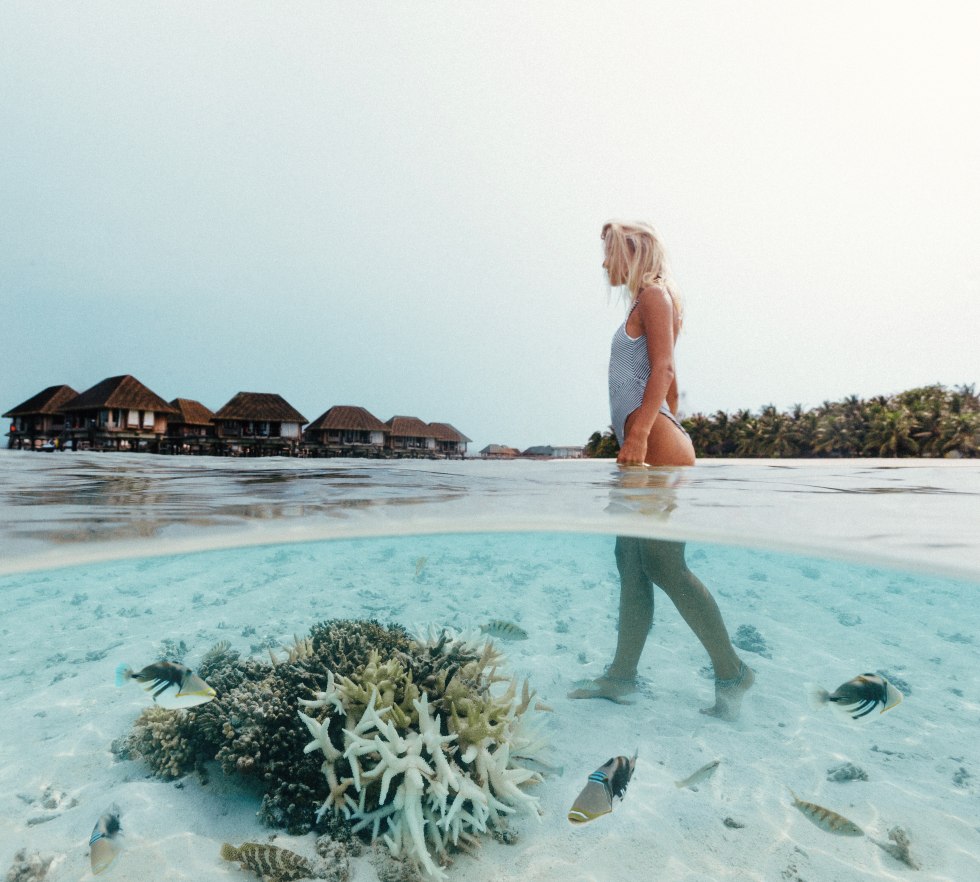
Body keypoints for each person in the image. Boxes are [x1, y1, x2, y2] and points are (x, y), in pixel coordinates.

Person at [568, 220, 753, 720]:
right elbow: (668, 384)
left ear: (631, 251)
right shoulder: (647, 301)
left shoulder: (653, 293)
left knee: (663, 566)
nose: (604, 264)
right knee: (631, 563)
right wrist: (654, 429)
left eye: (609, 253)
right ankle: (621, 677)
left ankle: (733, 671)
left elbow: (665, 370)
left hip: (652, 449)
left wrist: (640, 435)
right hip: (653, 447)